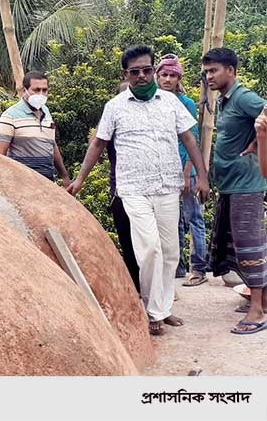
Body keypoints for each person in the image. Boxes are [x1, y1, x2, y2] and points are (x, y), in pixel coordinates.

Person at [67, 45, 210, 336]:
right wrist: (80, 179)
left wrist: (202, 177)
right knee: (150, 250)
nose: (142, 76)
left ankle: (163, 307)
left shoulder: (170, 103)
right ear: (126, 74)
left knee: (170, 252)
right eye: (135, 72)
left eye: (147, 70)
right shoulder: (115, 106)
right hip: (133, 189)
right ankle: (152, 311)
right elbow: (98, 144)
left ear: (153, 70)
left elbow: (189, 139)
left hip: (168, 186)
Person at [202, 48, 267, 334]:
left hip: (247, 186)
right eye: (206, 72)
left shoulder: (244, 97)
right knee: (237, 246)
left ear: (231, 70)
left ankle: (257, 312)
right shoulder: (227, 102)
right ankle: (261, 301)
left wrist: (258, 142)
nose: (209, 76)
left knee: (249, 246)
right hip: (232, 186)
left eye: (213, 70)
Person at [155, 54, 209, 286]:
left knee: (193, 217)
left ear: (179, 78)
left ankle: (199, 268)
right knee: (171, 219)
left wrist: (188, 173)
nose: (167, 79)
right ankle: (177, 266)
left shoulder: (185, 103)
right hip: (164, 171)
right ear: (157, 76)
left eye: (172, 75)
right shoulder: (154, 102)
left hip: (186, 169)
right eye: (164, 75)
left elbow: (191, 139)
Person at [0, 71, 72, 186]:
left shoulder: (46, 113)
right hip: (21, 184)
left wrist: (65, 176)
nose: (41, 94)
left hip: (48, 182)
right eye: (36, 90)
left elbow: (52, 144)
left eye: (44, 90)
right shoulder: (10, 116)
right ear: (24, 91)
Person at [107, 81, 140, 294]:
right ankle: (136, 289)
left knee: (150, 247)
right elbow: (96, 144)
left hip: (146, 192)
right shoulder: (110, 125)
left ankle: (154, 292)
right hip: (120, 192)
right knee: (128, 244)